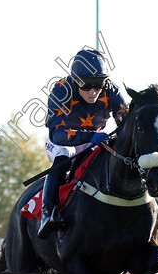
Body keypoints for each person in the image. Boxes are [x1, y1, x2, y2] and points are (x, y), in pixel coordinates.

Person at [38, 49, 128, 239]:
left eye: (98, 85)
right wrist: (88, 136)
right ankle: (48, 213)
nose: (93, 91)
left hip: (95, 138)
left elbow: (125, 120)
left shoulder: (111, 90)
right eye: (87, 85)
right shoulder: (62, 89)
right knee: (62, 158)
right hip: (63, 141)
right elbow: (57, 134)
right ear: (76, 80)